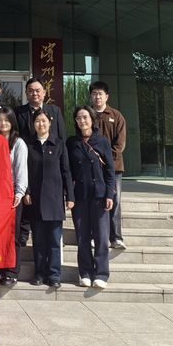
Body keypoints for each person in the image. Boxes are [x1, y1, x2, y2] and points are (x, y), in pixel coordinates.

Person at [15, 77, 67, 253]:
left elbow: (61, 136)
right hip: (28, 159)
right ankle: (24, 234)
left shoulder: (54, 110)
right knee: (28, 201)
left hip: (51, 160)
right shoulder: (19, 112)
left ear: (44, 93)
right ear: (26, 93)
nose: (34, 93)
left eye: (38, 90)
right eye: (31, 91)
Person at [67, 106, 116, 289]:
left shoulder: (102, 141)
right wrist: (69, 195)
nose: (82, 121)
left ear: (92, 119)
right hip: (80, 196)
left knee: (101, 237)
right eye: (78, 118)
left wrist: (110, 194)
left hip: (99, 196)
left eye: (85, 117)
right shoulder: (71, 142)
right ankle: (85, 272)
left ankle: (101, 273)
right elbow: (68, 172)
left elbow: (110, 171)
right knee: (82, 237)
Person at [25, 109, 73, 288]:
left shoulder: (59, 144)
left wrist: (70, 196)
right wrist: (27, 192)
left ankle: (54, 275)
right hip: (35, 199)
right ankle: (39, 273)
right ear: (33, 124)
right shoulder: (29, 145)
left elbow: (66, 171)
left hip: (54, 199)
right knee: (38, 240)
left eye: (44, 121)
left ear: (50, 123)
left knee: (53, 240)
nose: (41, 124)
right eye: (37, 121)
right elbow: (25, 171)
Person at [89, 81, 127, 250]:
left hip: (114, 167)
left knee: (115, 201)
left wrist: (106, 160)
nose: (97, 97)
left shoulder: (116, 116)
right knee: (94, 201)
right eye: (94, 94)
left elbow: (120, 144)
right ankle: (93, 235)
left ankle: (116, 237)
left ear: (107, 96)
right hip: (92, 167)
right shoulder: (87, 115)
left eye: (100, 94)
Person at [0, 107, 27, 288]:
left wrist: (19, 192)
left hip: (12, 194)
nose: (3, 124)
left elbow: (21, 170)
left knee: (13, 234)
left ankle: (11, 272)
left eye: (6, 120)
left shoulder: (18, 143)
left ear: (12, 122)